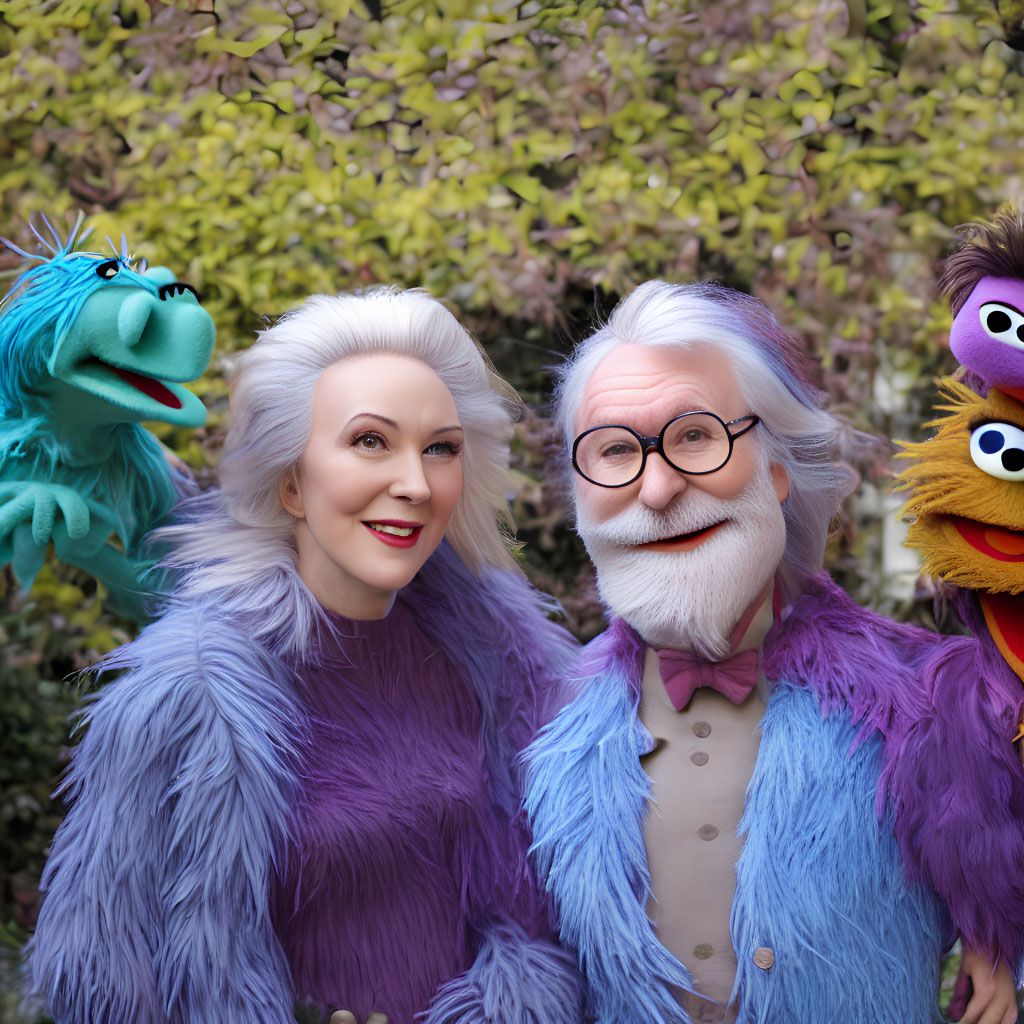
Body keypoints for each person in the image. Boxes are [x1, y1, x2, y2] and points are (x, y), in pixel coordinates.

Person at [25, 289, 582, 1024]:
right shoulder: (185, 694)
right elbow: (100, 978)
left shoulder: (498, 661)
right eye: (371, 441)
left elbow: (547, 907)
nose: (415, 484)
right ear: (291, 481)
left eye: (440, 448)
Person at [522, 280, 1018, 1024]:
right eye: (614, 451)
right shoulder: (541, 728)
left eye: (695, 435)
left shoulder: (931, 703)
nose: (656, 488)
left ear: (777, 468)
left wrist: (1003, 934)